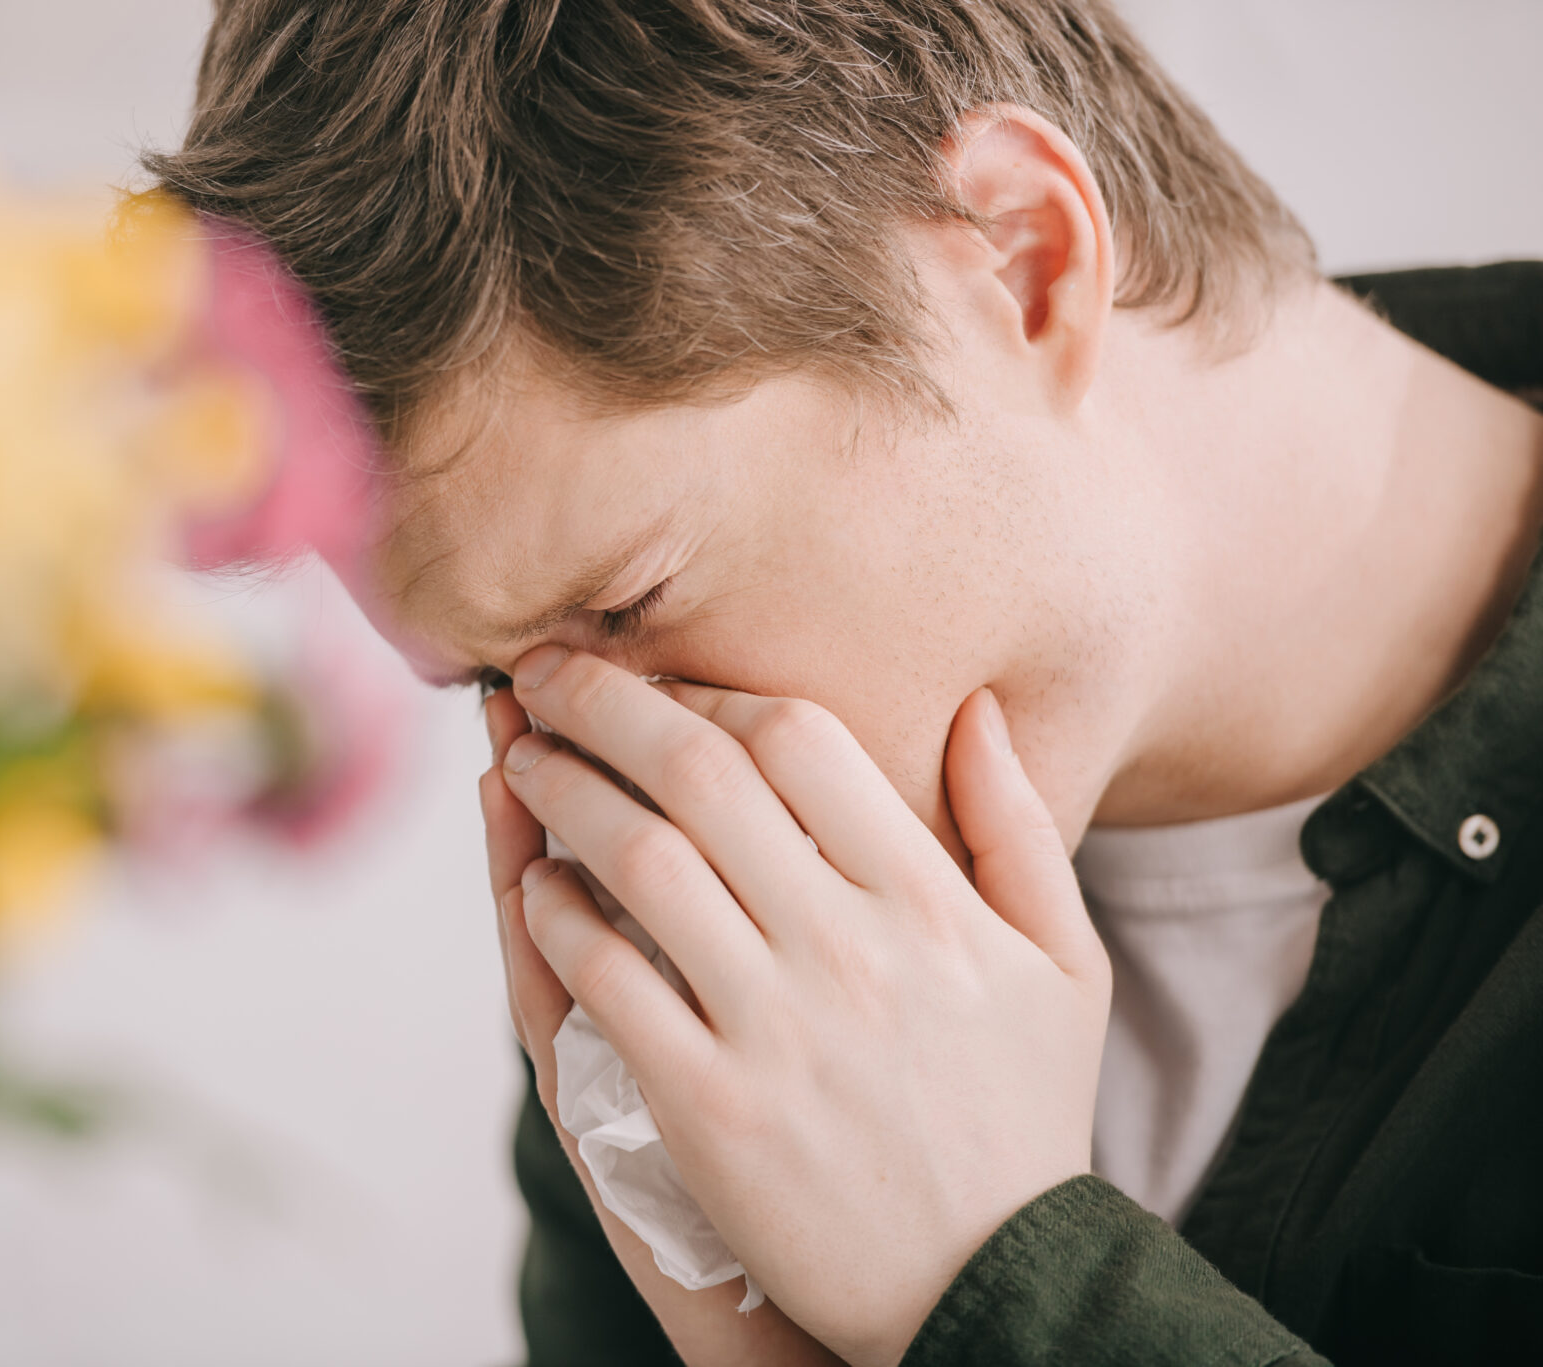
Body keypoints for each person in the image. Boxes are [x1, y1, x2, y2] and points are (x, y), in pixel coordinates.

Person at [148, 2, 1543, 1362]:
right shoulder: (685, 953)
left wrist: (997, 1284)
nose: (616, 790)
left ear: (1023, 264)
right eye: (497, 683)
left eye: (634, 604)